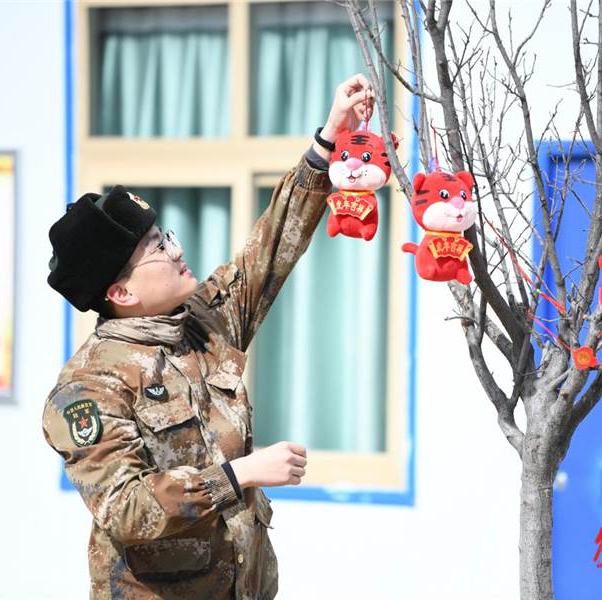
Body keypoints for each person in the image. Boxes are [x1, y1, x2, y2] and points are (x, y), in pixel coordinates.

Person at [42, 74, 375, 599]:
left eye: (165, 235)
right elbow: (129, 510)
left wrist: (330, 139)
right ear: (121, 292)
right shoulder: (88, 388)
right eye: (156, 247)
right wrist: (239, 473)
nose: (176, 250)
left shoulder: (203, 323)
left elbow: (267, 252)